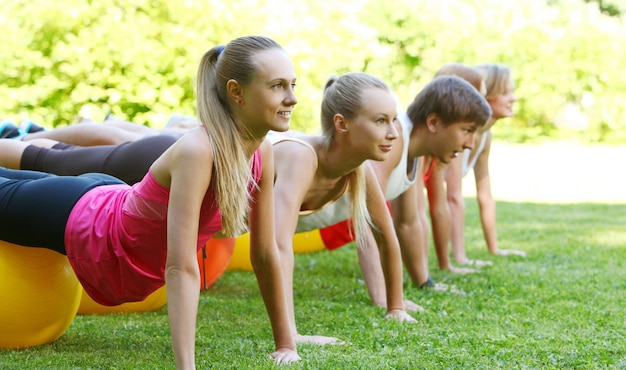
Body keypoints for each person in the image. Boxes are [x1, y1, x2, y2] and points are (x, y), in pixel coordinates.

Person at [0, 35, 300, 367]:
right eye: (277, 86)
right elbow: (181, 265)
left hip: (108, 200)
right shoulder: (199, 150)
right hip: (89, 226)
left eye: (292, 85)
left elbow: (265, 252)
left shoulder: (264, 152)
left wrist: (286, 344)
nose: (293, 98)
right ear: (236, 91)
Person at [272, 72, 417, 345]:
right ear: (341, 123)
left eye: (394, 119)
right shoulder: (302, 157)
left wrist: (395, 307)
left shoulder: (359, 169)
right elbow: (278, 246)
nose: (394, 133)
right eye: (380, 121)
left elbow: (385, 236)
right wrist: (288, 340)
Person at [352, 75, 492, 302]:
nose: (470, 144)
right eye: (467, 130)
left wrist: (424, 283)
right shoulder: (395, 139)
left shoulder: (414, 152)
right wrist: (382, 297)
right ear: (433, 122)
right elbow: (366, 221)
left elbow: (406, 223)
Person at [425, 63, 526, 266]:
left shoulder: (485, 136)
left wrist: (494, 249)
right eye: (506, 92)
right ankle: (452, 258)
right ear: (486, 97)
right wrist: (460, 259)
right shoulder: (460, 135)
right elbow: (452, 198)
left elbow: (485, 195)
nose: (513, 98)